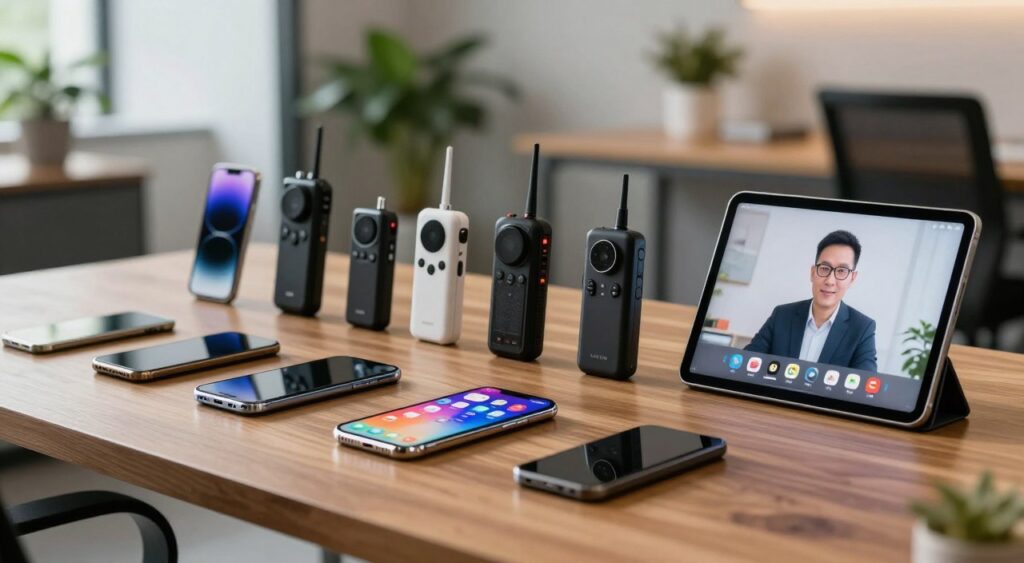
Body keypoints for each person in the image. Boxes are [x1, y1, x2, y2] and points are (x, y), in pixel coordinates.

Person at [744, 230, 877, 371]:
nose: (830, 281)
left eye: (841, 271)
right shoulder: (781, 315)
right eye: (825, 268)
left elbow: (865, 384)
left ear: (852, 279)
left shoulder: (862, 328)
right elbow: (746, 362)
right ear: (813, 273)